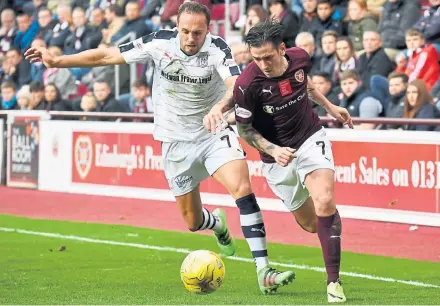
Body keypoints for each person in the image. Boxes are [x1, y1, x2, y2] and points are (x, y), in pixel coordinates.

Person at [25, 2, 295, 294]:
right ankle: (217, 224)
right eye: (186, 31)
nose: (192, 38)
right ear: (176, 27)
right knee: (192, 222)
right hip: (175, 142)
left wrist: (219, 107)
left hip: (212, 133)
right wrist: (58, 61)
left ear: (208, 30)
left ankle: (263, 270)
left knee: (242, 189)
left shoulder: (218, 48)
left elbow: (235, 83)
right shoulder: (158, 43)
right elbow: (107, 55)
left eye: (199, 32)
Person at [233, 19, 353, 303]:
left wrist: (331, 107)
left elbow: (306, 84)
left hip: (310, 137)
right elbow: (245, 130)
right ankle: (329, 229)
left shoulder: (300, 58)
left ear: (283, 49)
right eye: (256, 58)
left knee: (324, 201)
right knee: (313, 224)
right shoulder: (247, 84)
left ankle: (333, 283)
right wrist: (273, 150)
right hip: (276, 159)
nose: (262, 63)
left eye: (267, 56)